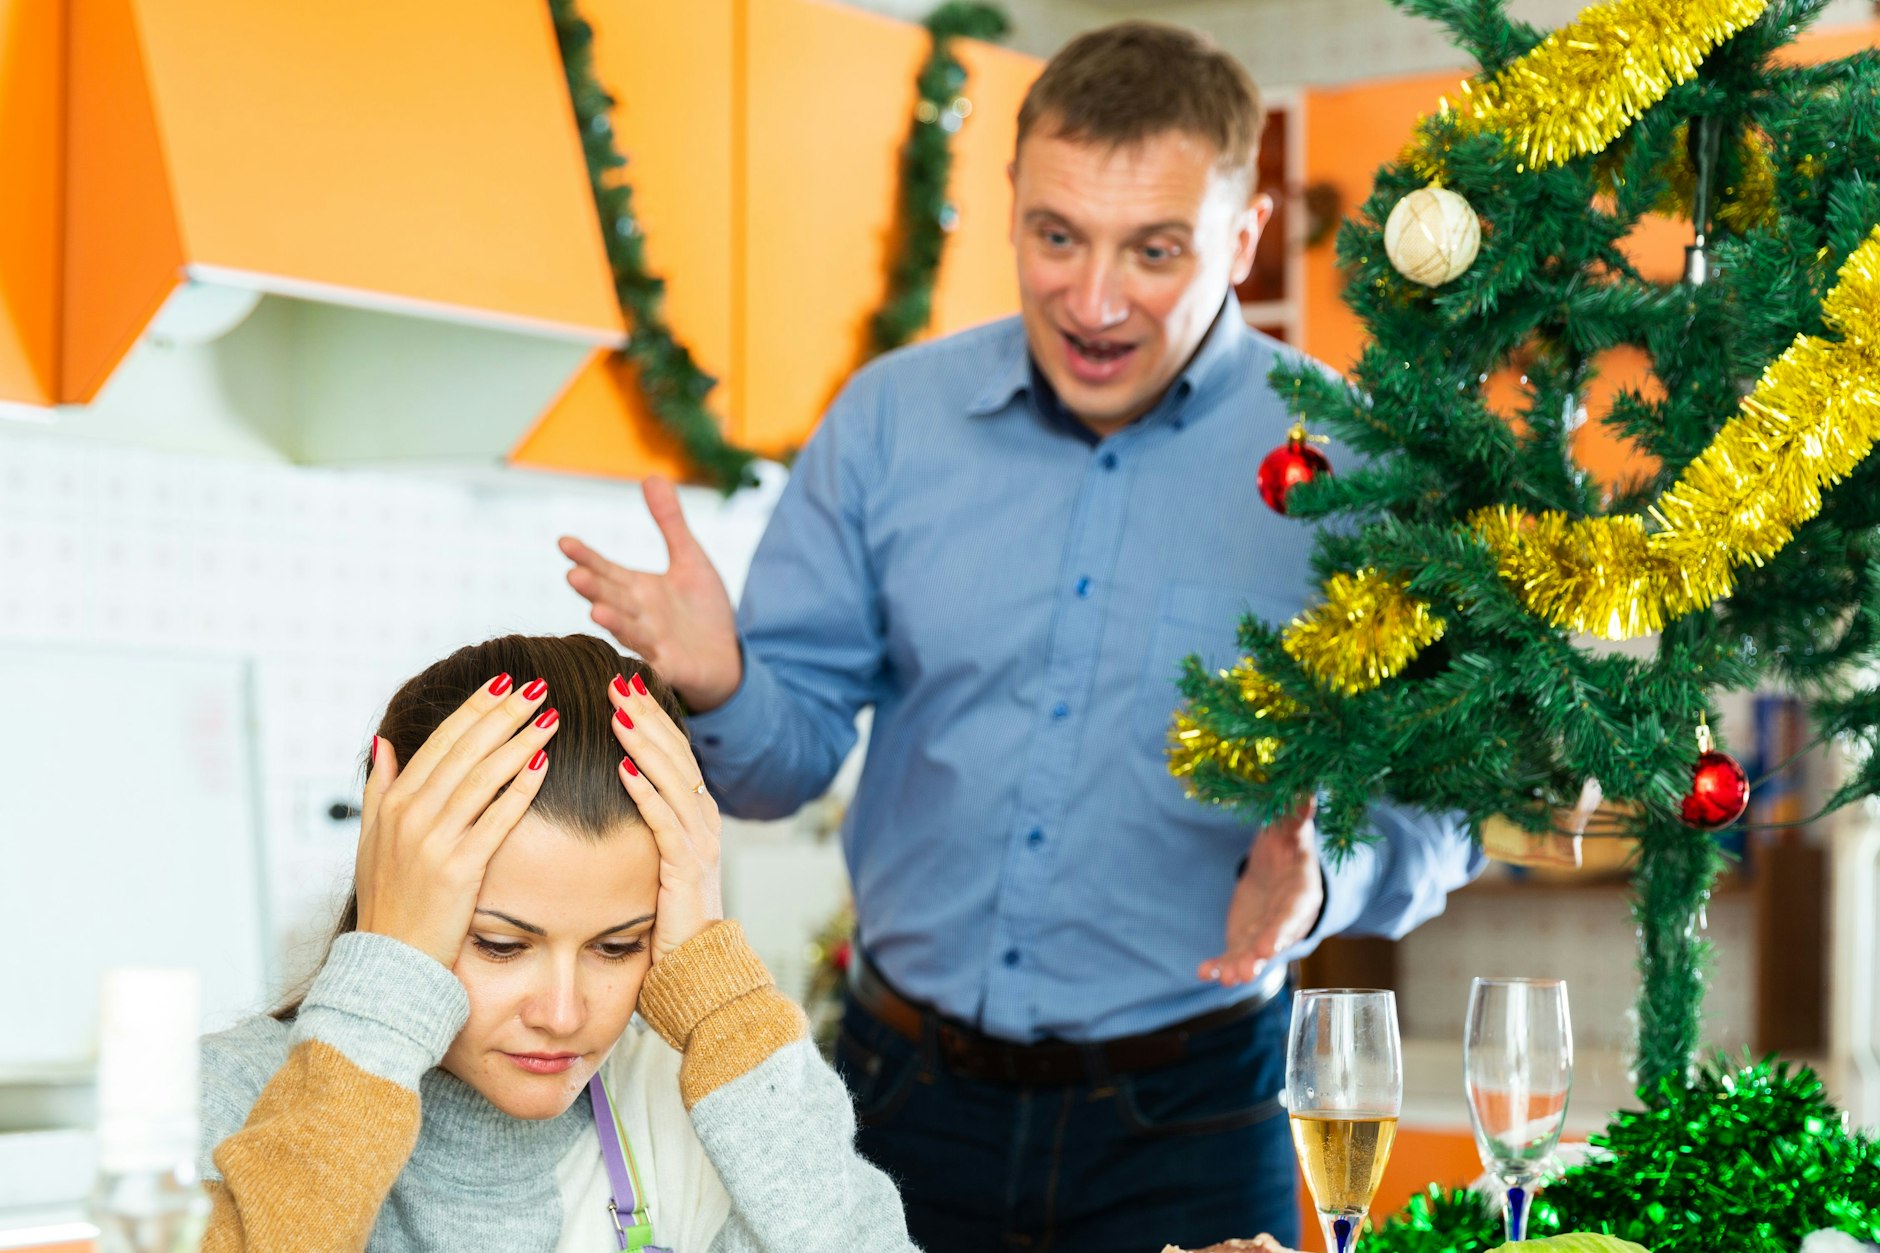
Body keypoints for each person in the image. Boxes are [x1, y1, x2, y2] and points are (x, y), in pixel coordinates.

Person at [561, 22, 1483, 1252]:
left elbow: (1453, 813)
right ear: (1008, 208)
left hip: (1195, 1120)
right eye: (1056, 237)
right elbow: (775, 771)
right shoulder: (892, 421)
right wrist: (725, 679)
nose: (1090, 300)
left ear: (1242, 238)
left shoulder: (1361, 471)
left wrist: (1322, 882)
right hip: (896, 1096)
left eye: (1152, 251)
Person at [196, 634, 919, 1252]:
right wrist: (385, 986)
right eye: (501, 945)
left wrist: (722, 999)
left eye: (617, 946)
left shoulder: (695, 1111)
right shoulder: (223, 1098)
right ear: (395, 892)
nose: (565, 1014)